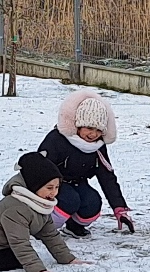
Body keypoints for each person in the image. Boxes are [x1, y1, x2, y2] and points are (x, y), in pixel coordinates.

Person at [0, 152, 78, 272]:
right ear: (34, 186)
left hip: (2, 243)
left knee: (18, 257)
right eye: (49, 188)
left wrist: (68, 259)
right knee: (13, 260)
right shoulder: (17, 208)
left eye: (57, 187)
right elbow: (19, 242)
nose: (54, 192)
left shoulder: (40, 204)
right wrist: (38, 271)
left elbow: (50, 234)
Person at [37, 88, 134, 238]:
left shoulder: (98, 147)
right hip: (52, 184)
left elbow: (107, 176)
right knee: (69, 200)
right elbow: (39, 168)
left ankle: (74, 227)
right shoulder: (57, 139)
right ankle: (43, 227)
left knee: (92, 203)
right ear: (78, 125)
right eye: (89, 128)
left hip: (78, 183)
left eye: (98, 130)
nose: (93, 134)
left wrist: (119, 209)